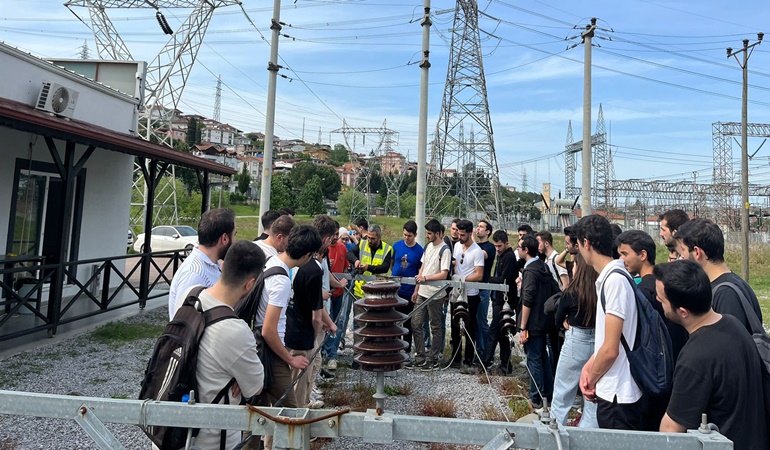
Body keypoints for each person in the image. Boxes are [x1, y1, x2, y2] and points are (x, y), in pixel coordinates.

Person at [655, 260, 768, 449]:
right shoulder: (734, 324)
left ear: (683, 312)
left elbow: (671, 430)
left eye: (662, 299)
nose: (658, 301)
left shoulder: (695, 358)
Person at [192, 240, 266, 450]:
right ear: (250, 284)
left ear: (223, 266)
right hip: (211, 440)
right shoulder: (236, 330)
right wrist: (237, 375)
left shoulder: (191, 297)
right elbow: (256, 387)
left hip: (171, 429)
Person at [576, 214, 643, 431]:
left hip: (618, 394)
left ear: (586, 243)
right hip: (616, 390)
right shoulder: (614, 277)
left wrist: (592, 378)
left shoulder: (614, 281)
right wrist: (589, 366)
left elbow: (611, 349)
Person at [255, 225, 318, 412]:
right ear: (307, 255)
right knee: (291, 412)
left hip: (260, 349)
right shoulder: (281, 280)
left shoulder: (271, 261)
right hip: (270, 353)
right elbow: (268, 329)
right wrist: (290, 360)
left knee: (261, 410)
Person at [675, 218, 763, 333]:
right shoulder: (731, 284)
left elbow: (730, 340)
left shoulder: (726, 294)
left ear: (697, 252)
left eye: (683, 250)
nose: (681, 256)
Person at [285, 218, 336, 409]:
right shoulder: (313, 269)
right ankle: (299, 416)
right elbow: (316, 315)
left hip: (291, 330)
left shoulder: (291, 266)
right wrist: (314, 335)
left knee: (293, 382)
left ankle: (303, 405)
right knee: (298, 387)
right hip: (302, 336)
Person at [551, 252, 598, 428]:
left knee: (563, 394)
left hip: (576, 339)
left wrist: (565, 320)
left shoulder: (571, 292)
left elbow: (557, 320)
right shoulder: (601, 290)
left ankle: (556, 434)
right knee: (592, 397)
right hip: (598, 342)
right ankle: (588, 437)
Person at [168, 208, 236, 320]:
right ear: (224, 238)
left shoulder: (212, 265)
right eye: (234, 235)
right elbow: (182, 323)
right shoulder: (194, 273)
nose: (235, 241)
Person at [518, 234, 556, 409]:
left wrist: (523, 327)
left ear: (526, 250)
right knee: (542, 357)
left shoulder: (530, 272)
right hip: (544, 319)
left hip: (533, 322)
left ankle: (536, 397)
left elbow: (528, 299)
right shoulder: (542, 266)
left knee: (533, 358)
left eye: (519, 247)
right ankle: (547, 393)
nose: (518, 250)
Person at [411, 219, 451, 370]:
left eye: (429, 233)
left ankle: (434, 358)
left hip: (436, 294)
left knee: (435, 326)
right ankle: (420, 355)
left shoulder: (445, 250)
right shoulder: (428, 246)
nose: (427, 236)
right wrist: (417, 288)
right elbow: (423, 266)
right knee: (416, 323)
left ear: (438, 233)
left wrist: (426, 278)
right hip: (422, 291)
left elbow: (444, 274)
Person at [450, 219, 485, 372]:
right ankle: (455, 357)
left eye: (463, 234)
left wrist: (463, 280)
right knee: (455, 324)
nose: (460, 237)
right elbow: (456, 264)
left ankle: (468, 359)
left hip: (471, 294)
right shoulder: (457, 246)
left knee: (470, 327)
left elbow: (479, 275)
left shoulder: (477, 251)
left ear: (470, 233)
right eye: (458, 233)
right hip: (457, 291)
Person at [482, 230, 519, 374]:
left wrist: (488, 279)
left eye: (499, 246)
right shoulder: (502, 256)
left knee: (493, 332)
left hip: (505, 301)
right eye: (495, 246)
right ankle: (506, 364)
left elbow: (504, 279)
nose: (497, 249)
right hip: (499, 299)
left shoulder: (509, 257)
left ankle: (485, 363)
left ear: (506, 243)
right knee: (503, 332)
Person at [392, 221, 424, 364]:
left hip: (409, 290)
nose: (406, 238)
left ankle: (406, 350)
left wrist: (416, 290)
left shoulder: (419, 251)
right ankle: (395, 348)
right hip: (395, 289)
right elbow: (392, 263)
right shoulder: (396, 246)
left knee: (407, 322)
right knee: (394, 320)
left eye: (409, 236)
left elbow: (420, 271)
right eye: (405, 235)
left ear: (415, 235)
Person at [323, 226, 350, 370]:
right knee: (328, 323)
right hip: (326, 294)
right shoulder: (323, 250)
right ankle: (330, 355)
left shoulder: (342, 248)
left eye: (336, 234)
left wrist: (341, 284)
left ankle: (331, 352)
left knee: (338, 323)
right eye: (332, 234)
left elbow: (345, 267)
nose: (334, 237)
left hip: (338, 293)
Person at [474, 220, 496, 360]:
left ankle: (488, 353)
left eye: (481, 227)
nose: (478, 229)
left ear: (488, 231)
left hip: (483, 288)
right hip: (472, 288)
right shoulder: (474, 246)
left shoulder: (490, 247)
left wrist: (470, 241)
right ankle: (479, 351)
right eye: (477, 226)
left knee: (482, 321)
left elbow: (480, 255)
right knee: (474, 322)